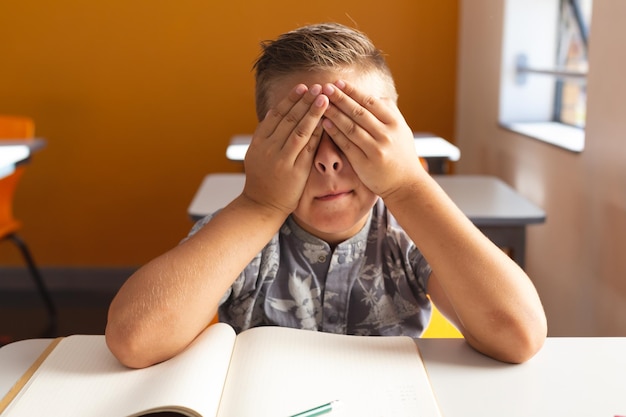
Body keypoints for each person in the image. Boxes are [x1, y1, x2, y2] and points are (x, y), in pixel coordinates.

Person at [105, 22, 547, 369]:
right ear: (265, 148)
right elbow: (134, 339)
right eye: (305, 135)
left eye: (356, 134)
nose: (330, 161)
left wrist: (408, 183)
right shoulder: (245, 237)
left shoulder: (405, 234)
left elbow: (520, 335)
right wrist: (261, 205)